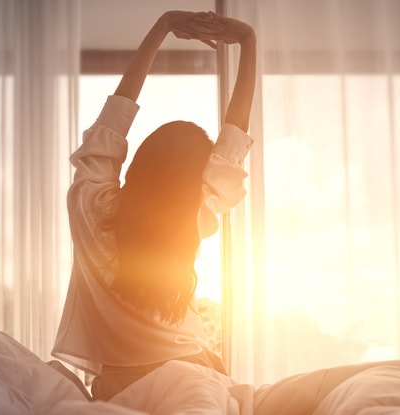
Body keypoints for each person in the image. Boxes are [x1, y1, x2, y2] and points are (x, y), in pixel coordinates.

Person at [51, 10, 256, 401]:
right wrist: (247, 40)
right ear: (195, 179)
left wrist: (162, 27)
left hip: (117, 383)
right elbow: (234, 137)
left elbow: (113, 120)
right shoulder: (194, 215)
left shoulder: (89, 204)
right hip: (194, 370)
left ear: (141, 160)